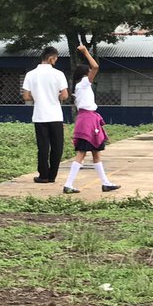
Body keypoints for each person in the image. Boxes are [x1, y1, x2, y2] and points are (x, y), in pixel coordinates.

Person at [62, 45, 120, 195]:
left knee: (95, 153)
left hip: (87, 118)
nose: (91, 74)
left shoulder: (79, 86)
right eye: (88, 73)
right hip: (88, 120)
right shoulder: (83, 83)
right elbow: (95, 66)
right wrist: (85, 52)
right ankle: (68, 184)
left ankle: (105, 183)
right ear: (85, 74)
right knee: (82, 153)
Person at [21, 46, 69, 183]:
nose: (56, 61)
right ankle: (52, 175)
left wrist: (37, 97)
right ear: (50, 58)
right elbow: (65, 95)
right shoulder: (58, 74)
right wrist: (55, 95)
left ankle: (43, 175)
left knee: (43, 147)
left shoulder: (31, 74)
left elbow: (26, 96)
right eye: (55, 59)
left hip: (40, 116)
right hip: (55, 116)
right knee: (57, 146)